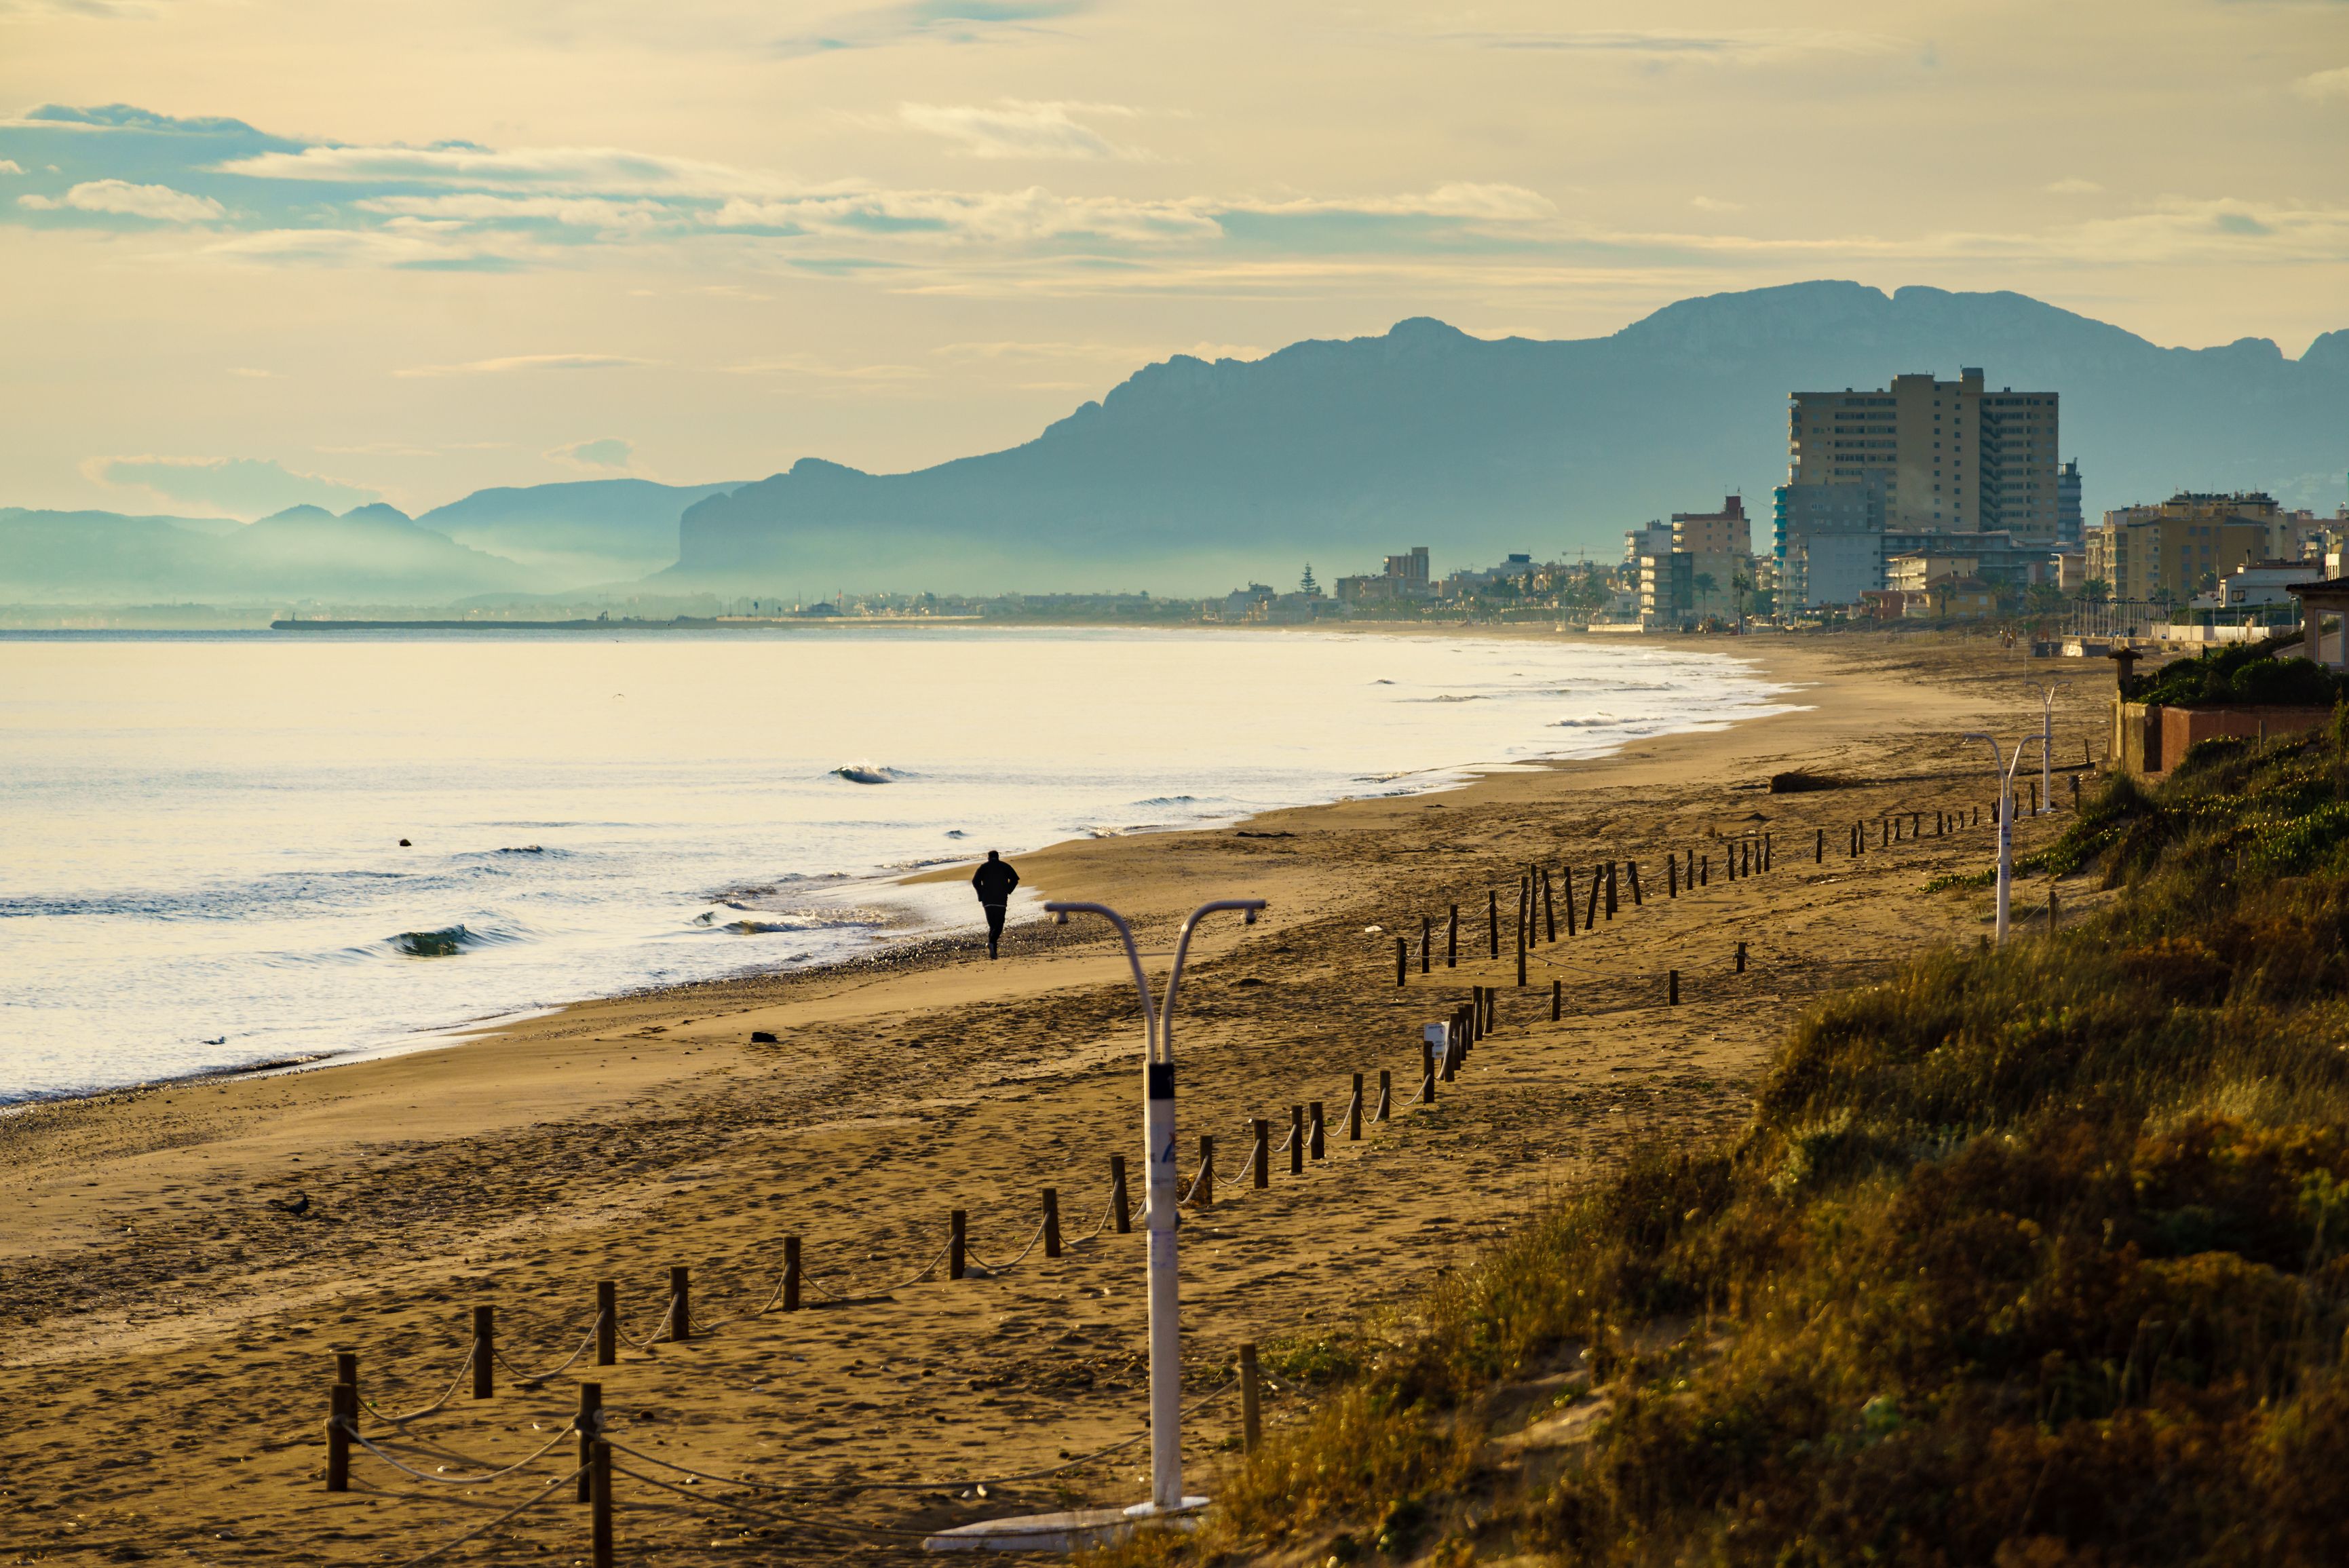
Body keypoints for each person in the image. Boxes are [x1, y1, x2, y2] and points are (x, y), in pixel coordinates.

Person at [970, 850, 1020, 959]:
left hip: (987, 901)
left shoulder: (983, 867)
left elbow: (975, 881)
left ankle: (994, 952)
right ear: (998, 857)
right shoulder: (1005, 866)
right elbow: (1015, 879)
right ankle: (992, 945)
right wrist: (1008, 890)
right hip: (1000, 900)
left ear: (988, 858)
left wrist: (981, 894)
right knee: (999, 924)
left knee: (992, 926)